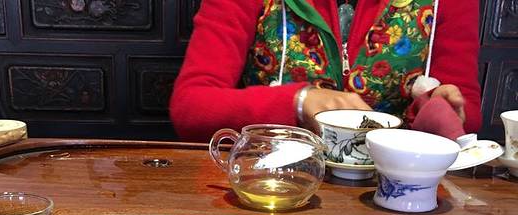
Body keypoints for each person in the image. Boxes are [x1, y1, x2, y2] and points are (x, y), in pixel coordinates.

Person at [170, 0, 481, 142]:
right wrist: (298, 102)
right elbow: (191, 107)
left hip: (398, 195)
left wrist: (435, 110)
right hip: (273, 185)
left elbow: (466, 114)